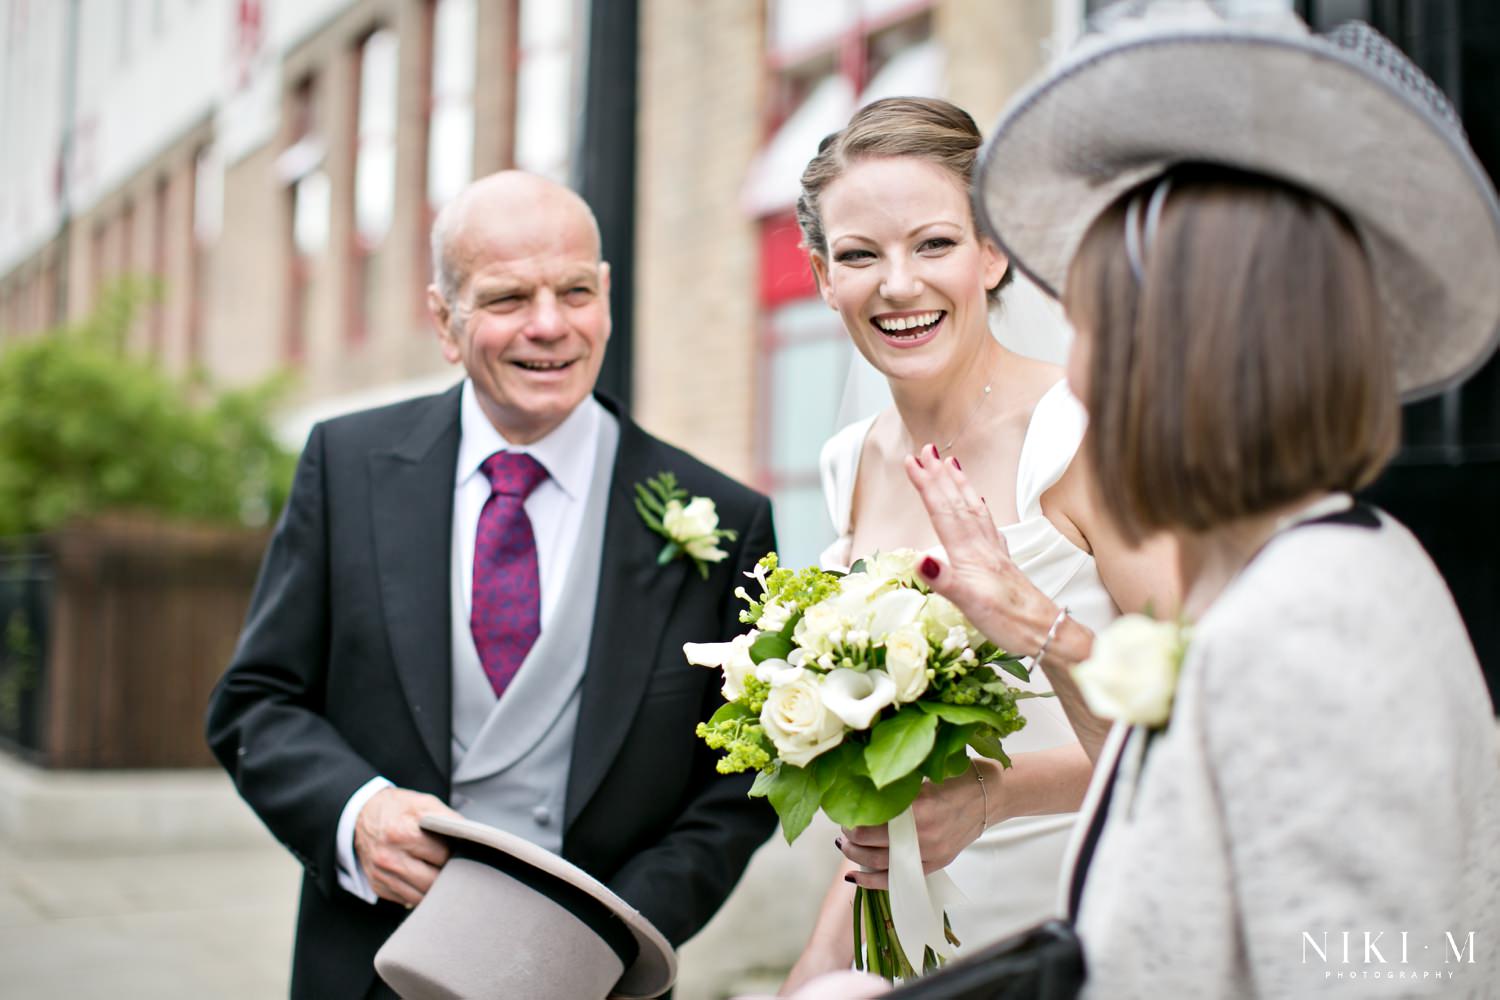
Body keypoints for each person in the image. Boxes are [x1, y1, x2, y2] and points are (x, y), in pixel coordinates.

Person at [892, 6, 1500, 996]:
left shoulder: (1317, 626)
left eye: (1088, 330)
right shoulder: (1297, 579)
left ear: (1176, 356)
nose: (1075, 385)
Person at [206, 170, 777, 999]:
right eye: (509, 298)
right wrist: (354, 812)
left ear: (606, 296)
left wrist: (611, 930)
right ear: (445, 319)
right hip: (370, 969)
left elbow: (739, 783)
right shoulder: (347, 468)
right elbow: (255, 701)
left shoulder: (725, 519)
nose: (550, 326)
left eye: (575, 291)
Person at [782, 97, 1176, 989]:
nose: (897, 285)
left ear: (993, 251)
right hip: (917, 949)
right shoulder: (849, 462)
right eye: (858, 255)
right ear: (820, 275)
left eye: (934, 243)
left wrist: (1000, 795)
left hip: (1081, 926)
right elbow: (882, 786)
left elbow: (1191, 725)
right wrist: (814, 968)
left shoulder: (1087, 437)